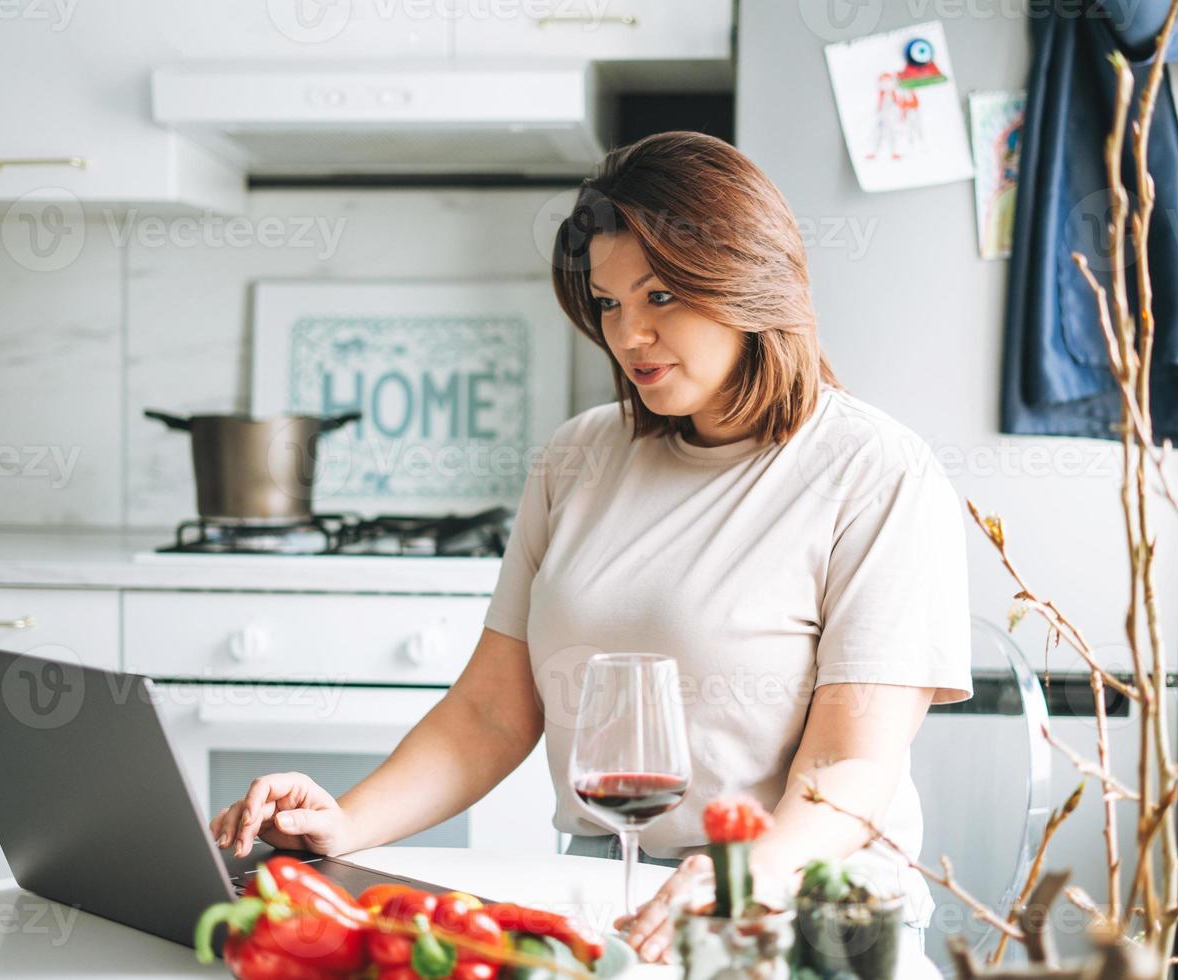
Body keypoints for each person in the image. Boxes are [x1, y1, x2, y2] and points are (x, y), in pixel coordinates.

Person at [210, 131, 972, 962]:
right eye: (608, 303)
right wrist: (344, 822)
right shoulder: (578, 456)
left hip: (803, 910)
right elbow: (492, 713)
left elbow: (850, 763)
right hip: (605, 891)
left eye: (659, 296)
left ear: (748, 279)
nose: (629, 334)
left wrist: (746, 872)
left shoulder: (875, 471)